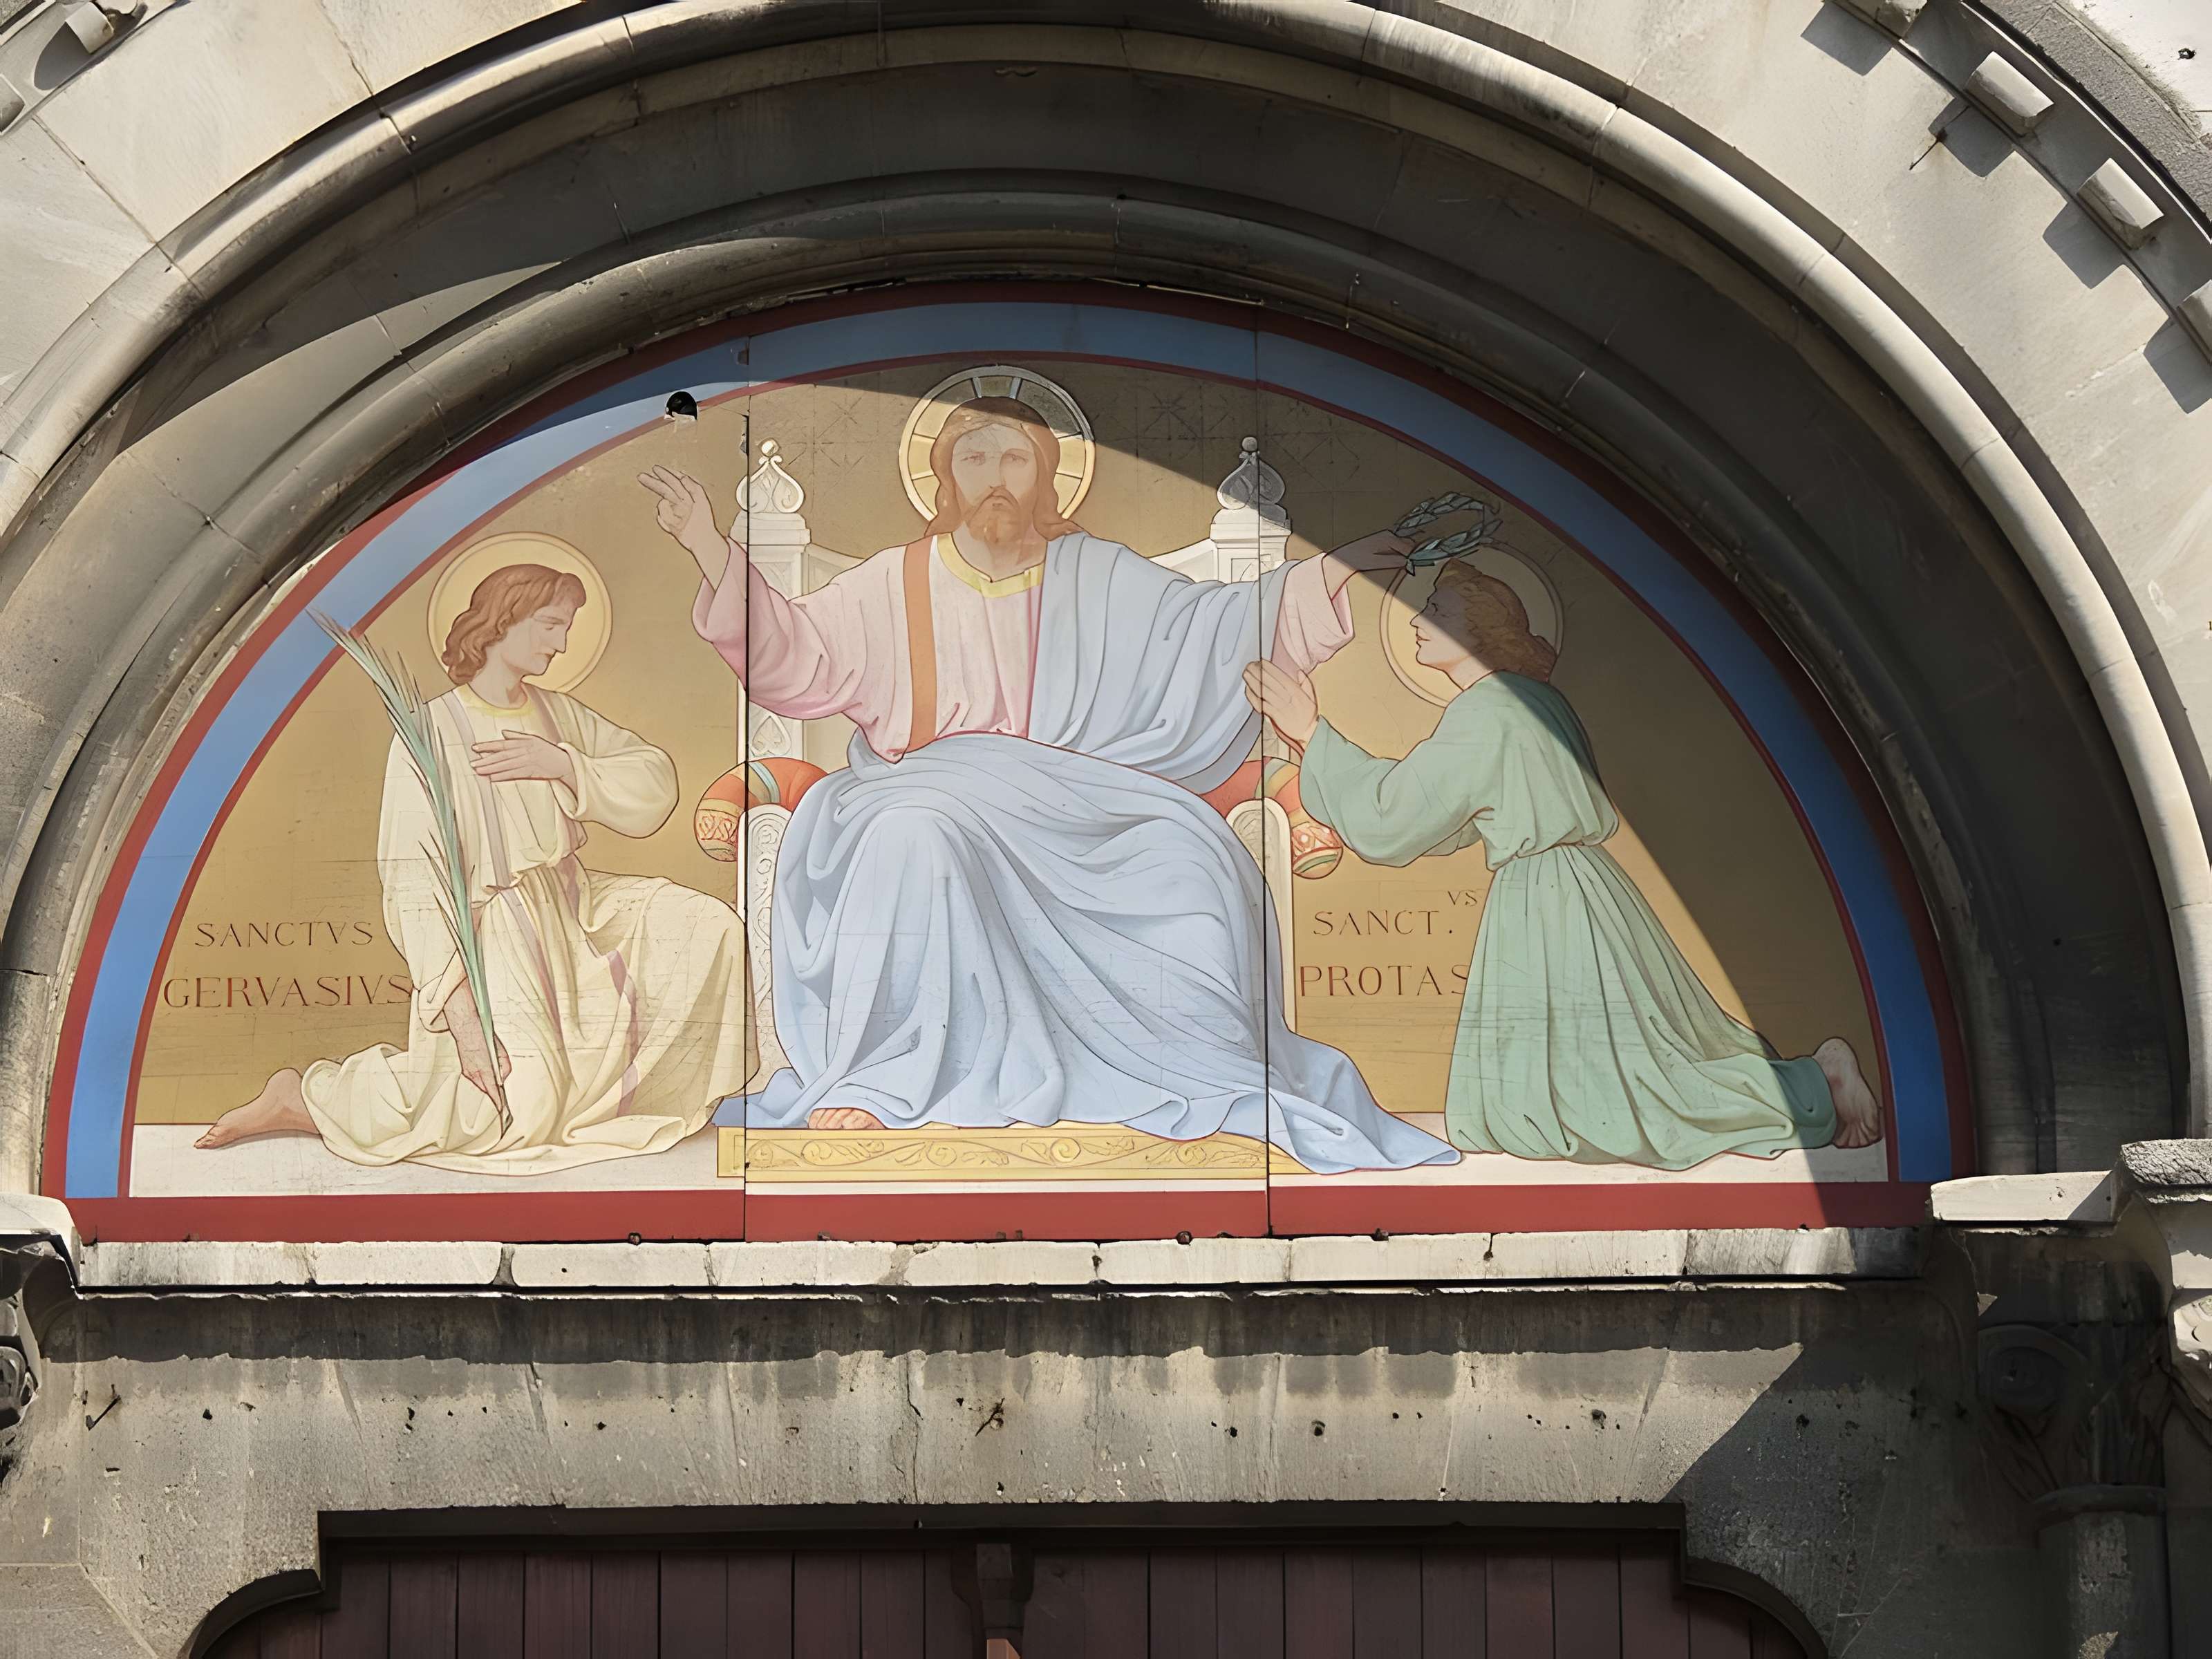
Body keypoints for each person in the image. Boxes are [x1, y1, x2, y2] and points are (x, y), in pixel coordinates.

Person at [639, 397, 1455, 1174]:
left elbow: (1212, 628)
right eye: (975, 458)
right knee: (912, 836)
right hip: (922, 790)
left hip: (1086, 805)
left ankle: (1200, 1065)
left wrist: (1335, 574)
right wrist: (710, 546)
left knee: (1188, 864)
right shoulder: (892, 582)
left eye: (1015, 460)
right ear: (945, 477)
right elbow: (792, 651)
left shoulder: (1099, 575)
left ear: (1046, 476)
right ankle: (888, 1073)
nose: (995, 477)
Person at [1245, 561, 1883, 1170]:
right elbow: (1449, 819)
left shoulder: (1490, 710)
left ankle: (1816, 1086)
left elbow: (1397, 814)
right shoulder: (1533, 702)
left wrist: (1312, 731)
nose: (1416, 619)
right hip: (1585, 889)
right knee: (1625, 1072)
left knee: (1619, 1097)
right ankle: (1807, 1082)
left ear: (1477, 629)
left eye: (1436, 609)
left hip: (1549, 900)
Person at [196, 563, 756, 1172]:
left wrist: (564, 765)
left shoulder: (557, 716)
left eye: (568, 628)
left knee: (710, 927)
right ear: (503, 620)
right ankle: (305, 1097)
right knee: (520, 1113)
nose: (561, 643)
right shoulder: (432, 731)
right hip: (493, 937)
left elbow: (652, 780)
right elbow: (413, 882)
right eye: (550, 625)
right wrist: (463, 1019)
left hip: (574, 909)